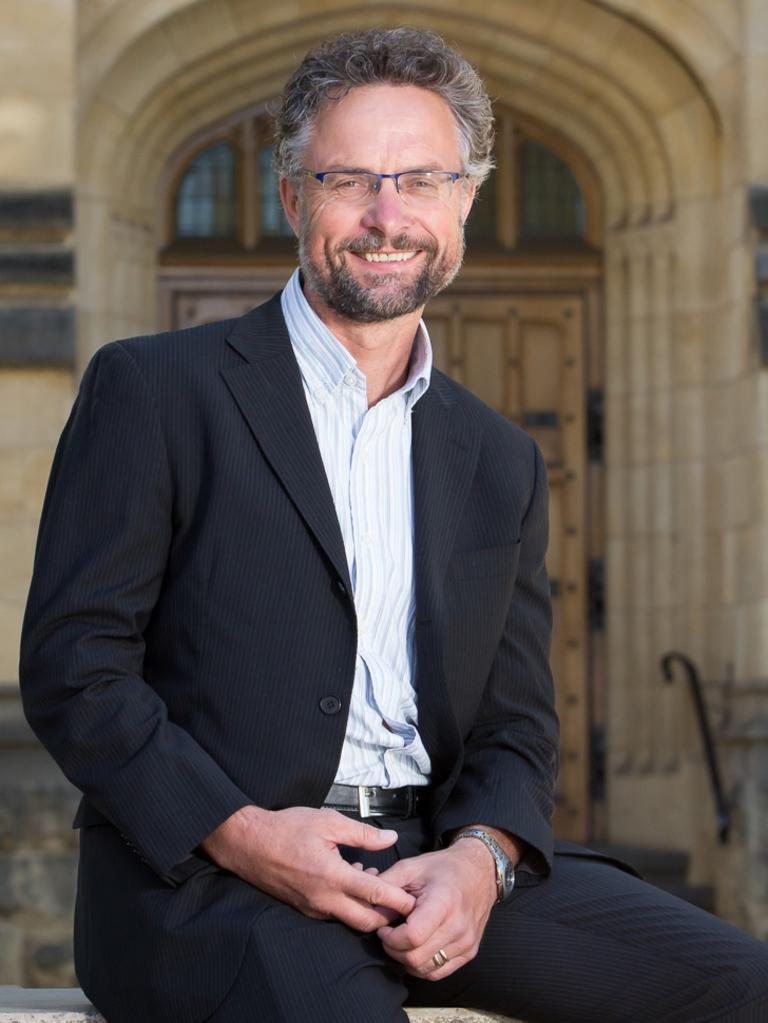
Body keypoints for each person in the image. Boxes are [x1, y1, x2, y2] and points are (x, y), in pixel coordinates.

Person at [19, 26, 768, 1023]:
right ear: (292, 197)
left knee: (744, 984)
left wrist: (482, 859)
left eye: (420, 180)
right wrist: (244, 834)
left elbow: (516, 727)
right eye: (350, 181)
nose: (387, 216)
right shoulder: (156, 390)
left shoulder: (498, 457)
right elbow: (75, 668)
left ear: (464, 203)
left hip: (428, 864)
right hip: (209, 884)